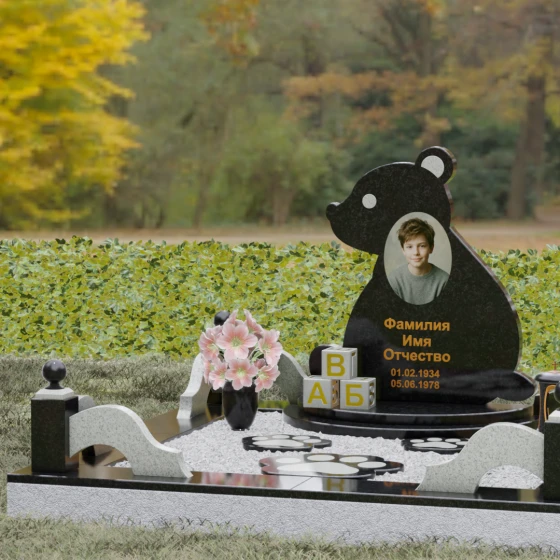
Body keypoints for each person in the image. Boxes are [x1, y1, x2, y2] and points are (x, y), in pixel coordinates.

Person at [387, 218, 449, 305]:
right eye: (409, 247)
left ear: (431, 248)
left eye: (422, 246)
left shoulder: (444, 281)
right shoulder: (394, 280)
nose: (416, 252)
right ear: (403, 250)